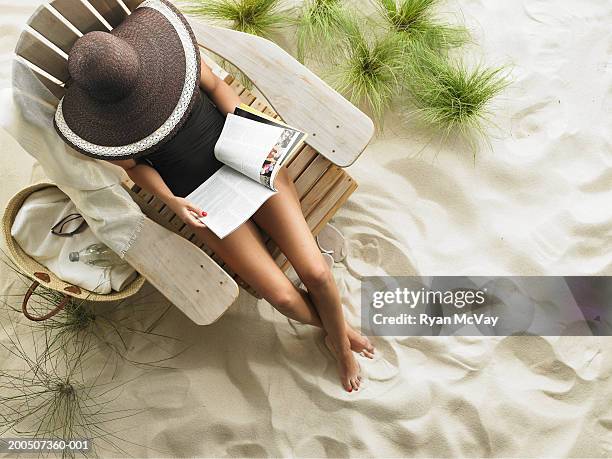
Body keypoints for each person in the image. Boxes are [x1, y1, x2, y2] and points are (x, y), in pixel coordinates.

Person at [53, 0, 374, 392]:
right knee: (282, 298)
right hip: (202, 197)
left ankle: (339, 345)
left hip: (245, 160)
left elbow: (218, 86)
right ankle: (339, 333)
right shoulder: (106, 127)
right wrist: (172, 202)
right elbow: (136, 168)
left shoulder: (169, 62)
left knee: (318, 273)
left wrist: (246, 129)